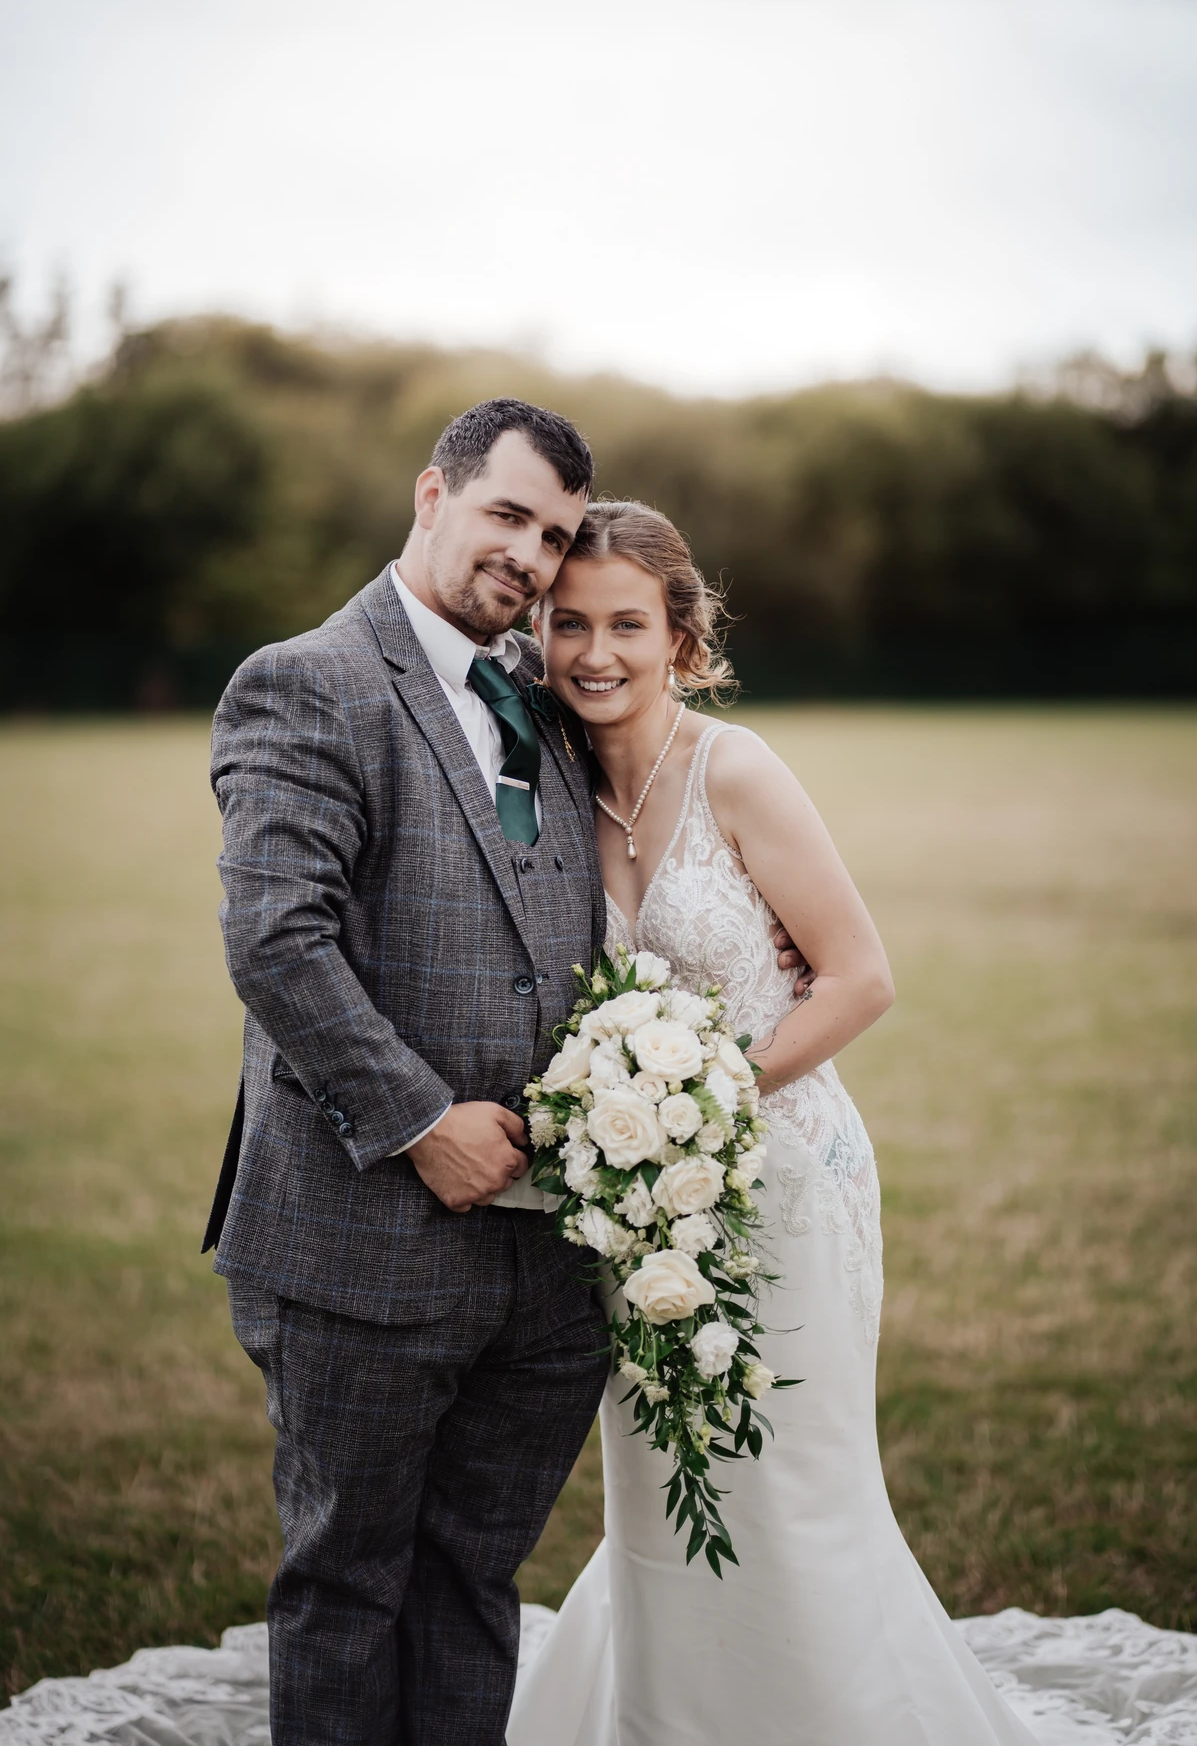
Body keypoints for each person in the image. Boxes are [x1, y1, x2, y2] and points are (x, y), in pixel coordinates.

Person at [204, 399, 812, 1746]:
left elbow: (646, 838)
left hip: (547, 1261)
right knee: (350, 1585)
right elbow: (275, 939)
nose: (532, 557)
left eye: (551, 534)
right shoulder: (309, 682)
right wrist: (422, 1122)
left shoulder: (538, 688)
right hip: (362, 1243)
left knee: (474, 1581)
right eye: (508, 516)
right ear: (433, 494)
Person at [507, 500, 1038, 1746]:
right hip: (637, 1204)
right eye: (568, 623)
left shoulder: (734, 770)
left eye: (628, 624)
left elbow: (860, 977)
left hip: (786, 1177)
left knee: (786, 1486)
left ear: (682, 639)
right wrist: (632, 1133)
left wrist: (699, 1103)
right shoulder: (546, 792)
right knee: (656, 1484)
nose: (596, 653)